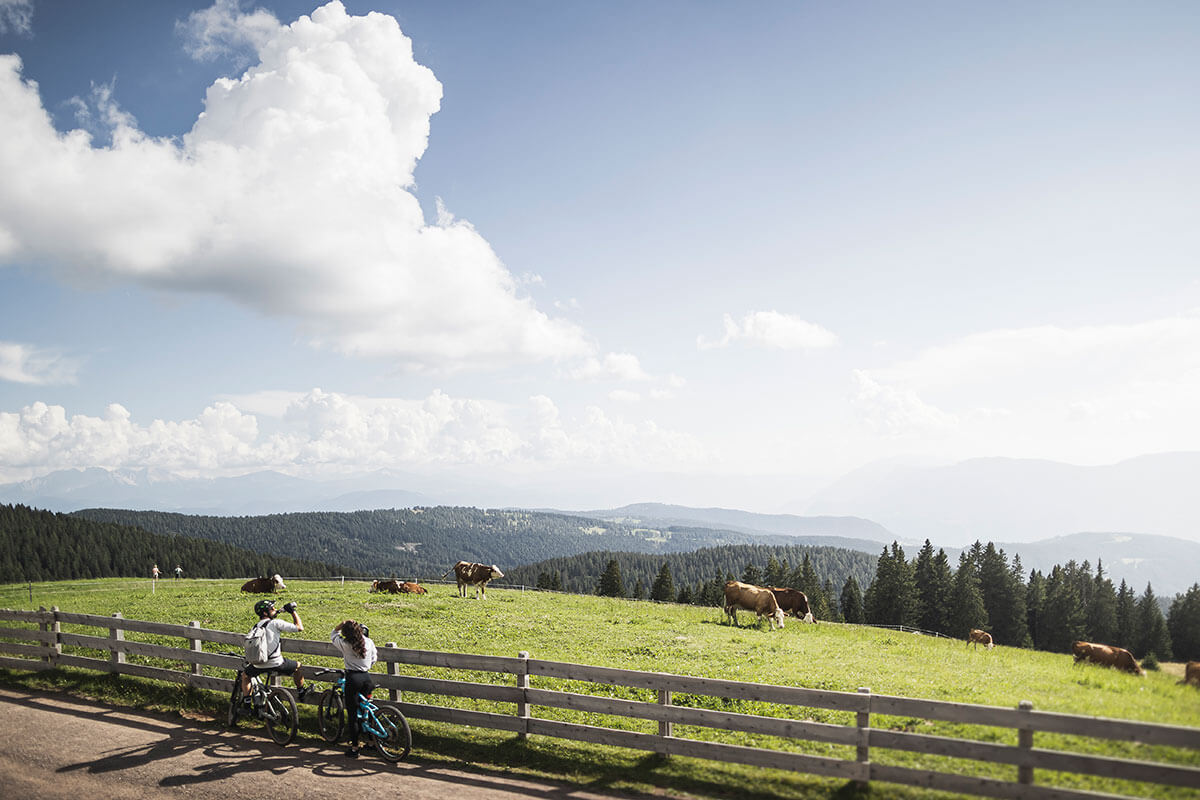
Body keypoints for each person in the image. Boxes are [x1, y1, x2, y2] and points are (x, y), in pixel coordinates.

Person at [243, 599, 313, 702]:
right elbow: (299, 627)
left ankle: (247, 702)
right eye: (272, 608)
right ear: (265, 613)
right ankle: (301, 691)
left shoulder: (256, 626)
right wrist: (292, 611)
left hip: (258, 664)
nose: (275, 609)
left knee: (245, 676)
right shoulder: (275, 623)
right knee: (298, 666)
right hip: (276, 663)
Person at [331, 619, 378, 758]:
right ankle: (371, 742)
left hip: (353, 679)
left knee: (353, 714)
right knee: (366, 710)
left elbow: (333, 634)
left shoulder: (345, 644)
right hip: (366, 678)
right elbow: (374, 659)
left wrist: (341, 624)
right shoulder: (369, 642)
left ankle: (355, 747)